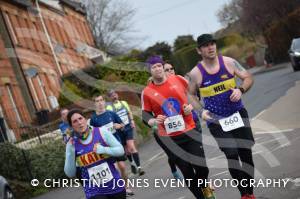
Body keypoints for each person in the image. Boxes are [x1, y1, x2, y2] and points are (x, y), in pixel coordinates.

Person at [189, 34, 255, 199]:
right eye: (205, 45)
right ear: (199, 50)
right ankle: (244, 194)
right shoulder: (196, 73)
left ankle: (250, 193)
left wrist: (240, 90)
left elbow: (248, 77)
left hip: (238, 114)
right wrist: (200, 110)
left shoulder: (229, 62)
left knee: (245, 153)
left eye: (212, 44)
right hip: (216, 120)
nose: (210, 47)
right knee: (232, 154)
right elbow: (189, 95)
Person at [141, 55, 213, 199]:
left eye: (159, 66)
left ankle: (205, 188)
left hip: (190, 131)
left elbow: (194, 94)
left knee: (202, 167)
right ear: (150, 71)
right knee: (187, 171)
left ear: (162, 67)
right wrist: (154, 121)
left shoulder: (178, 79)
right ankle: (203, 197)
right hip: (170, 139)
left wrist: (191, 106)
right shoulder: (147, 92)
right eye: (153, 67)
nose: (157, 69)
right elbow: (145, 115)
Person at [64, 109, 126, 199]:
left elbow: (120, 150)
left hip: (114, 184)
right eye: (75, 121)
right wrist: (70, 151)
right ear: (72, 126)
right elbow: (70, 173)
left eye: (80, 118)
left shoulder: (101, 131)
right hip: (93, 190)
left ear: (85, 119)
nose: (79, 123)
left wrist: (104, 149)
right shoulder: (72, 144)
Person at [90, 95, 134, 196]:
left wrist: (119, 126)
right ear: (94, 104)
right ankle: (120, 189)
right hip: (106, 148)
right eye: (97, 101)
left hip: (116, 145)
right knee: (115, 168)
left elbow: (122, 125)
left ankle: (127, 187)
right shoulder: (93, 119)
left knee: (122, 167)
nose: (100, 103)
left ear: (104, 102)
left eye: (101, 100)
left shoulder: (111, 114)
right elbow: (92, 135)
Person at [106, 90, 145, 176]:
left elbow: (129, 112)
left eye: (115, 94)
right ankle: (132, 164)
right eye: (111, 95)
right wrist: (116, 125)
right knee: (126, 150)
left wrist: (132, 121)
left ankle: (139, 167)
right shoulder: (109, 108)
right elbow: (110, 119)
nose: (114, 96)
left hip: (127, 127)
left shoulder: (124, 103)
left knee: (131, 146)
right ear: (109, 98)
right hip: (119, 130)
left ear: (117, 94)